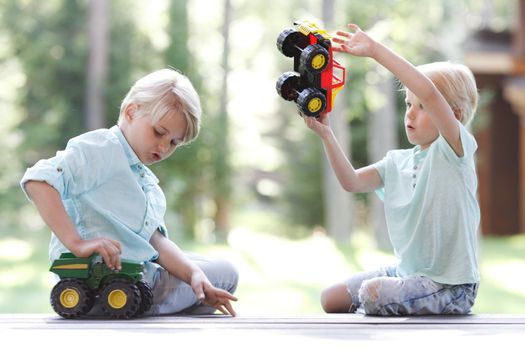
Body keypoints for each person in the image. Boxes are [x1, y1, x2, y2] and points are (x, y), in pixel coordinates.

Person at [20, 68, 238, 316]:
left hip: (136, 275)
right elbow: (38, 180)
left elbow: (156, 242)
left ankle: (177, 311)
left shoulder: (142, 178)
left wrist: (193, 274)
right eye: (159, 132)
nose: (164, 147)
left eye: (174, 142)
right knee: (227, 274)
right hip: (119, 284)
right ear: (131, 111)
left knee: (202, 272)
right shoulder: (101, 149)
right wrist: (76, 243)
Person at [304, 24, 480, 315]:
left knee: (372, 293)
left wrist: (374, 50)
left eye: (421, 106)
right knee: (331, 298)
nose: (410, 112)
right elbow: (351, 181)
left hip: (451, 286)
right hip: (407, 272)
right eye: (408, 103)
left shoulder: (454, 151)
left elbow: (432, 92)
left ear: (454, 116)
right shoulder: (396, 162)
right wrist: (326, 134)